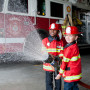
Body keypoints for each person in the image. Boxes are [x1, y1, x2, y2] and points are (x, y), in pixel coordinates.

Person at [42, 23, 65, 90]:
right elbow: (43, 52)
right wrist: (48, 55)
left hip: (57, 65)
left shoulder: (60, 42)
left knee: (58, 81)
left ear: (58, 31)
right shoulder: (45, 41)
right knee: (49, 82)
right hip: (48, 66)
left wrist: (58, 58)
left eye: (54, 30)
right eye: (51, 30)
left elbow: (62, 53)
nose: (52, 31)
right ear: (49, 30)